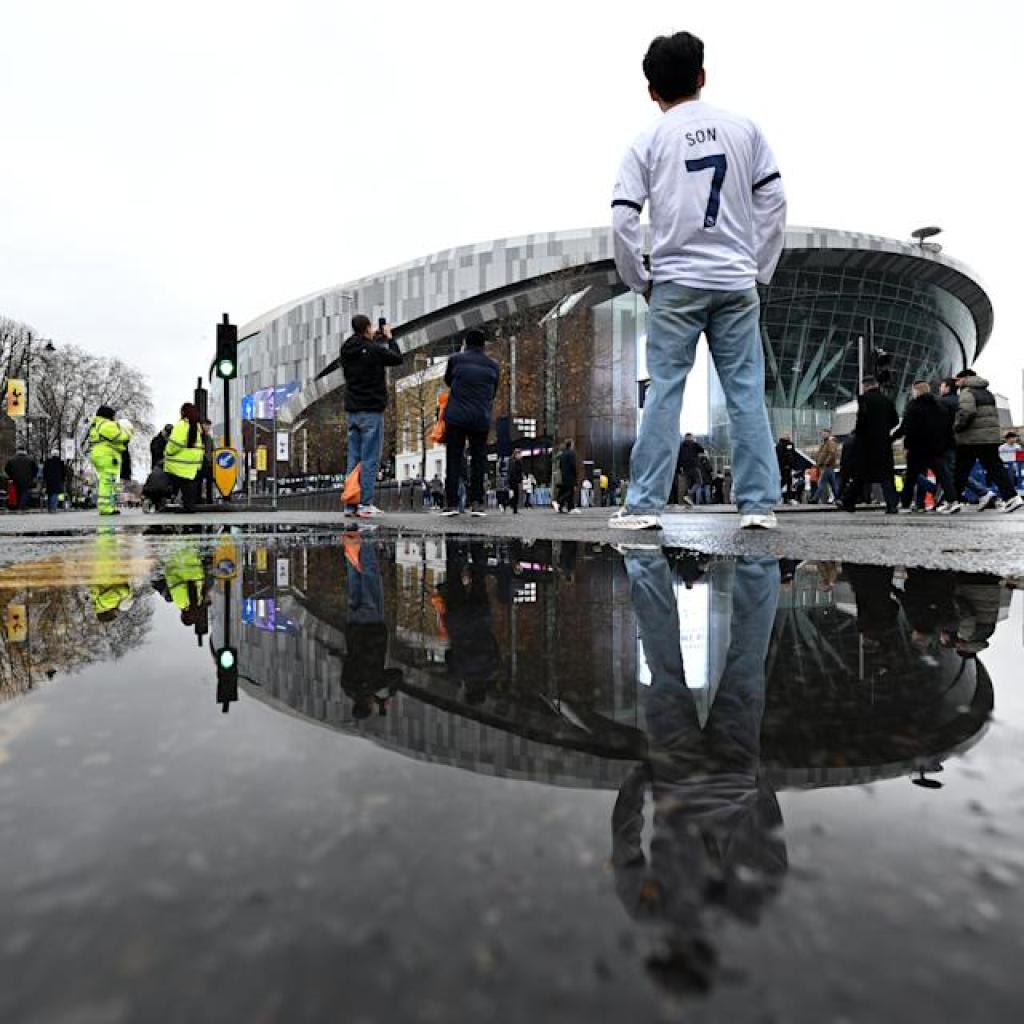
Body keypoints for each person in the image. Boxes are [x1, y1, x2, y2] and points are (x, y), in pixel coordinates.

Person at [609, 31, 786, 532]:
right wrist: (758, 266)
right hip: (734, 279)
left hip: (676, 281)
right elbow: (774, 202)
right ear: (702, 77)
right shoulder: (745, 130)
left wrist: (639, 278)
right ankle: (757, 505)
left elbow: (623, 219)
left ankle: (645, 505)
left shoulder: (646, 141)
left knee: (665, 390)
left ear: (651, 91)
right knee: (745, 391)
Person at [340, 314, 403, 518]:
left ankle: (351, 504)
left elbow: (364, 352)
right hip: (371, 410)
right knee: (369, 459)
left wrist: (372, 339)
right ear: (367, 327)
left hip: (352, 410)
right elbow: (396, 357)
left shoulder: (346, 349)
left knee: (354, 458)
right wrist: (389, 337)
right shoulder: (375, 350)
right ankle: (365, 503)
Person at [440, 328, 499, 517]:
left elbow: (449, 380)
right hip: (480, 417)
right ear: (484, 345)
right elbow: (493, 391)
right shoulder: (493, 365)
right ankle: (477, 503)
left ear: (466, 343)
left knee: (454, 459)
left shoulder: (455, 359)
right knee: (478, 460)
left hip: (456, 416)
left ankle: (451, 504)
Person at [952, 369, 1022, 513]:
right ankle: (1012, 497)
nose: (956, 383)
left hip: (972, 438)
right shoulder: (987, 392)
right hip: (989, 436)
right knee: (994, 467)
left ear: (965, 378)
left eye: (957, 380)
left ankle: (953, 501)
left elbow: (967, 412)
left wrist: (956, 426)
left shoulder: (967, 392)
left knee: (961, 470)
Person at [891, 380, 961, 514]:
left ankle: (905, 504)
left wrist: (897, 440)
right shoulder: (939, 405)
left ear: (916, 390)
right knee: (943, 475)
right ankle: (952, 501)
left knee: (911, 477)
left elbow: (907, 428)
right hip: (936, 448)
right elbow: (947, 427)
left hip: (918, 448)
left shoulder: (913, 406)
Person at [840, 378, 899, 514]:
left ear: (866, 386)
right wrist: (883, 429)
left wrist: (858, 433)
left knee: (861, 474)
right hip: (883, 442)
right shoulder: (887, 400)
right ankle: (892, 505)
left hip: (866, 443)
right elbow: (895, 420)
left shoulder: (864, 399)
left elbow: (862, 419)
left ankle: (848, 502)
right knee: (886, 476)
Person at [88, 405, 132, 516]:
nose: (115, 418)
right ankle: (105, 508)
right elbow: (120, 437)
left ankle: (109, 506)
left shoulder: (96, 424)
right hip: (107, 454)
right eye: (113, 415)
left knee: (108, 480)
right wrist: (128, 431)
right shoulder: (107, 425)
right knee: (107, 481)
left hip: (99, 453)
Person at [163, 403, 205, 513]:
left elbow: (175, 444)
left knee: (175, 482)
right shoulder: (197, 427)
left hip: (180, 463)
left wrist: (167, 452)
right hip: (193, 463)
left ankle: (178, 502)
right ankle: (189, 506)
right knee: (189, 486)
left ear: (183, 412)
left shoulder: (182, 425)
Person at [812, 429, 840, 504]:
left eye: (825, 434)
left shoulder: (830, 443)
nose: (823, 435)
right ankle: (838, 497)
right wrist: (818, 462)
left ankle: (815, 498)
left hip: (827, 466)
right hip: (826, 466)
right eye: (822, 434)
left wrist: (825, 463)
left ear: (829, 434)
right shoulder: (824, 443)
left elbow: (832, 454)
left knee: (822, 483)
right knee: (833, 483)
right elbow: (821, 454)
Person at [676, 433, 703, 506]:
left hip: (685, 468)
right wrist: (695, 441)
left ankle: (687, 502)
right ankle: (688, 495)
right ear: (691, 437)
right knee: (699, 482)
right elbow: (702, 450)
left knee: (688, 484)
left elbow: (678, 458)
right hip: (694, 466)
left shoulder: (681, 446)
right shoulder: (694, 444)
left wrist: (679, 468)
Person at [556, 439, 578, 513]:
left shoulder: (562, 454)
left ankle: (566, 507)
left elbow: (560, 466)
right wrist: (575, 475)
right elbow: (573, 465)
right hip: (570, 476)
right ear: (571, 445)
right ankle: (561, 501)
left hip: (564, 476)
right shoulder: (571, 453)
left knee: (566, 491)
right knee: (570, 492)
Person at [776, 434, 796, 503]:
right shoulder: (780, 445)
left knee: (789, 482)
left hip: (789, 467)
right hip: (783, 467)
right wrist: (784, 465)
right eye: (786, 435)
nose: (788, 436)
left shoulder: (791, 444)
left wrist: (792, 465)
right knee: (783, 481)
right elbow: (780, 456)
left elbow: (793, 454)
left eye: (789, 435)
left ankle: (789, 498)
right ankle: (777, 495)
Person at [199, 418, 215, 505]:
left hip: (208, 463)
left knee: (209, 482)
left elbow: (212, 450)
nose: (208, 428)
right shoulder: (200, 437)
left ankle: (209, 499)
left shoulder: (209, 438)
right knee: (200, 481)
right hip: (201, 462)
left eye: (209, 426)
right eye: (206, 425)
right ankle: (201, 498)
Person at [509, 449, 524, 514]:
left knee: (516, 494)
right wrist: (516, 479)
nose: (520, 455)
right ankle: (513, 508)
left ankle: (515, 508)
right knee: (515, 494)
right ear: (516, 454)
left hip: (516, 480)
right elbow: (513, 471)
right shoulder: (514, 461)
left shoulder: (518, 461)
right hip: (514, 480)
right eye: (519, 454)